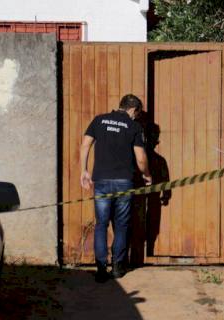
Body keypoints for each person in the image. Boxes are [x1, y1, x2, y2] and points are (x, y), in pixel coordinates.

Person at [80, 94, 152, 283]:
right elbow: (141, 158)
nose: (136, 117)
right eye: (137, 113)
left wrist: (84, 171)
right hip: (123, 182)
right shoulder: (134, 126)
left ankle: (101, 269)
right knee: (121, 225)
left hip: (101, 181)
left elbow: (85, 145)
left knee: (101, 224)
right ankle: (118, 267)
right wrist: (147, 174)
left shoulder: (99, 120)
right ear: (133, 109)